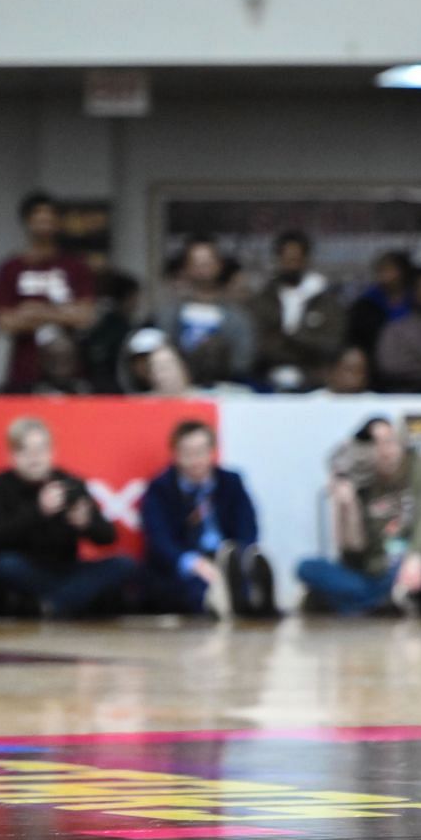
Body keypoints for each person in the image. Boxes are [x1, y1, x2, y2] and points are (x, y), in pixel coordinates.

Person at [297, 417, 421, 615]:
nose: (385, 451)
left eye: (390, 441)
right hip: (377, 575)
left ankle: (363, 605)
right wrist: (347, 505)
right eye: (376, 445)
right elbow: (353, 551)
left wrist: (416, 558)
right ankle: (381, 602)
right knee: (307, 568)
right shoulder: (361, 481)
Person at [0, 418, 135, 617]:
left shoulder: (70, 484)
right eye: (25, 450)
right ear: (11, 455)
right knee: (2, 566)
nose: (33, 457)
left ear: (52, 452)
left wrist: (86, 523)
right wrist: (39, 510)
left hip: (68, 570)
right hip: (27, 570)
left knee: (123, 564)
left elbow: (108, 537)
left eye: (40, 450)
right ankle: (68, 603)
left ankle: (52, 606)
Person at [140, 421, 276, 619]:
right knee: (189, 589)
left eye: (201, 451)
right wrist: (195, 563)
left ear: (212, 451)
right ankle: (223, 601)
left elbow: (248, 525)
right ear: (175, 454)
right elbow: (159, 540)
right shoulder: (160, 488)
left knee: (241, 571)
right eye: (188, 452)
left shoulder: (231, 481)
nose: (196, 459)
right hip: (189, 562)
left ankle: (252, 597)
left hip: (227, 558)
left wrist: (240, 556)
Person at [0, 191, 96, 394]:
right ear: (27, 222)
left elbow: (85, 317)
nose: (44, 225)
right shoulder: (10, 268)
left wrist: (36, 311)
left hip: (69, 371)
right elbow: (4, 321)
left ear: (57, 223)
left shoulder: (75, 266)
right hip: (24, 370)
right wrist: (63, 314)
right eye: (38, 219)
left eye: (49, 219)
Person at [252, 230, 347, 392]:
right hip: (268, 380)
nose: (291, 264)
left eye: (296, 259)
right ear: (278, 259)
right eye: (287, 259)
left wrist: (293, 338)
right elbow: (258, 342)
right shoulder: (264, 298)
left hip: (316, 381)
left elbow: (331, 344)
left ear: (306, 259)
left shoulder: (326, 300)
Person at [155, 237, 255, 386]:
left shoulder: (238, 317)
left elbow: (244, 358)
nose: (202, 267)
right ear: (185, 267)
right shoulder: (168, 315)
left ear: (219, 265)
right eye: (196, 262)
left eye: (208, 261)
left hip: (227, 392)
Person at [347, 250, 413, 368]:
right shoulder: (366, 304)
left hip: (409, 365)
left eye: (390, 270)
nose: (385, 275)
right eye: (381, 270)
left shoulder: (414, 302)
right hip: (374, 365)